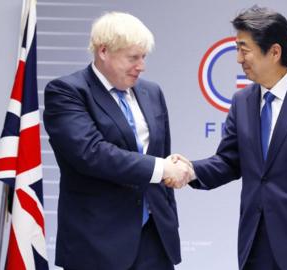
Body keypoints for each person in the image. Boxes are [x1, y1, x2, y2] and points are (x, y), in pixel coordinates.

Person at [167, 6, 287, 270]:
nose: (238, 58)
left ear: (275, 52)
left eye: (244, 49)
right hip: (256, 241)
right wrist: (191, 171)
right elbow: (229, 161)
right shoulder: (242, 100)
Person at [43, 12, 191, 270]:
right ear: (103, 51)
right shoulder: (67, 92)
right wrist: (161, 168)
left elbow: (159, 154)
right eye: (133, 57)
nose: (141, 66)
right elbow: (91, 153)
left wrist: (171, 168)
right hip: (97, 243)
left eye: (143, 57)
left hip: (154, 240)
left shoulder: (151, 92)